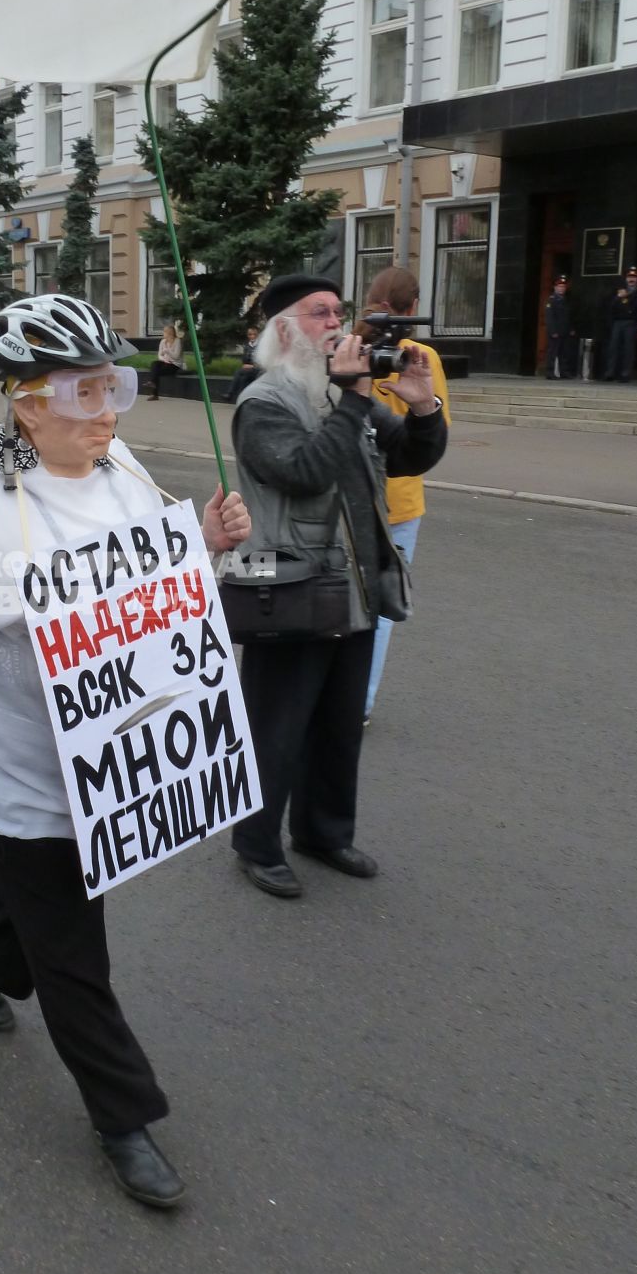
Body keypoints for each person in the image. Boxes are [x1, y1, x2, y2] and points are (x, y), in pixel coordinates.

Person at [0, 293, 252, 1210]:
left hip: (105, 748)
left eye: (113, 384)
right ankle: (124, 1114)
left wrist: (203, 543)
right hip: (12, 758)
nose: (110, 409)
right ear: (27, 401)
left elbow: (150, 578)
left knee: (45, 887)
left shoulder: (117, 462)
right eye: (87, 392)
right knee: (73, 944)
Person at [228, 273, 448, 899]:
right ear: (285, 329)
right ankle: (257, 843)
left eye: (337, 312)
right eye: (319, 313)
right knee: (277, 726)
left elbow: (408, 455)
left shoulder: (341, 393)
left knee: (338, 723)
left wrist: (422, 403)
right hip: (292, 587)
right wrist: (354, 399)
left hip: (352, 585)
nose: (336, 322)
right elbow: (301, 471)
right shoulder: (265, 400)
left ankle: (323, 832)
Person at [360, 266, 451, 723]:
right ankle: (362, 702)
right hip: (401, 505)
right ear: (413, 309)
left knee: (346, 601)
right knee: (382, 610)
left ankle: (341, 695)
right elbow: (436, 430)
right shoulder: (423, 357)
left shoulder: (353, 350)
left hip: (355, 500)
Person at [604, 267, 637, 382]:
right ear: (626, 278)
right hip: (618, 323)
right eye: (629, 277)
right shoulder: (620, 291)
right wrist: (618, 297)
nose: (631, 279)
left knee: (628, 349)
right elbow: (611, 307)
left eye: (634, 277)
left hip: (631, 323)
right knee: (613, 348)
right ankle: (610, 372)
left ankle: (625, 373)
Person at [544, 276, 575, 380]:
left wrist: (571, 329)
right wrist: (553, 331)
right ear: (555, 287)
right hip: (555, 331)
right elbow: (549, 317)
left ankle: (564, 372)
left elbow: (568, 316)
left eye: (563, 286)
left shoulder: (566, 300)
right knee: (552, 353)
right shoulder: (551, 300)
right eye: (559, 286)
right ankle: (550, 372)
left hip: (564, 331)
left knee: (564, 353)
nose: (561, 288)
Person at [147, 323, 184, 399]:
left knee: (156, 372)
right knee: (154, 364)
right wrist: (163, 359)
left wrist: (167, 351)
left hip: (175, 364)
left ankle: (154, 393)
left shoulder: (177, 341)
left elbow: (176, 356)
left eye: (164, 332)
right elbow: (159, 355)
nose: (163, 333)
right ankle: (152, 384)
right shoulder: (163, 341)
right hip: (165, 362)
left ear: (170, 333)